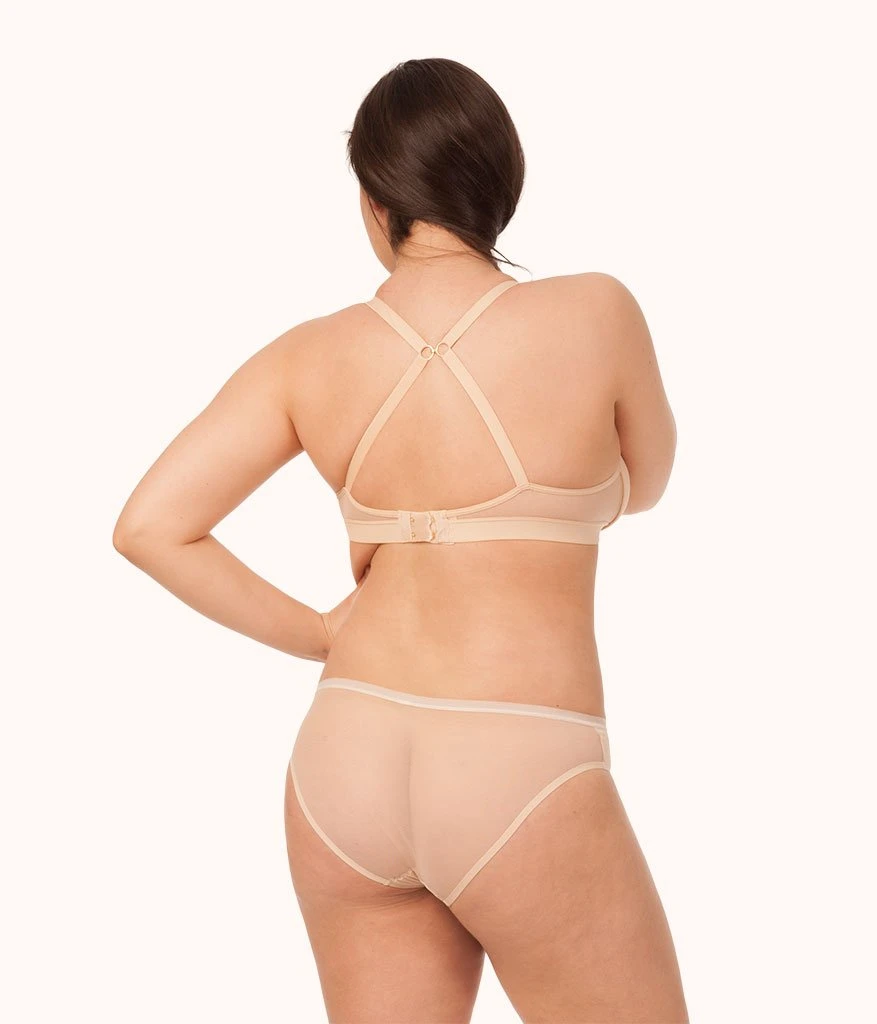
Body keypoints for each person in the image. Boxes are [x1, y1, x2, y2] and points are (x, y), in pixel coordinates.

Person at [113, 56, 687, 1024]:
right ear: (502, 182)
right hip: (517, 756)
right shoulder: (595, 310)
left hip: (346, 758)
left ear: (375, 199)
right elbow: (648, 483)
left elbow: (150, 527)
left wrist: (319, 633)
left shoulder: (308, 353)